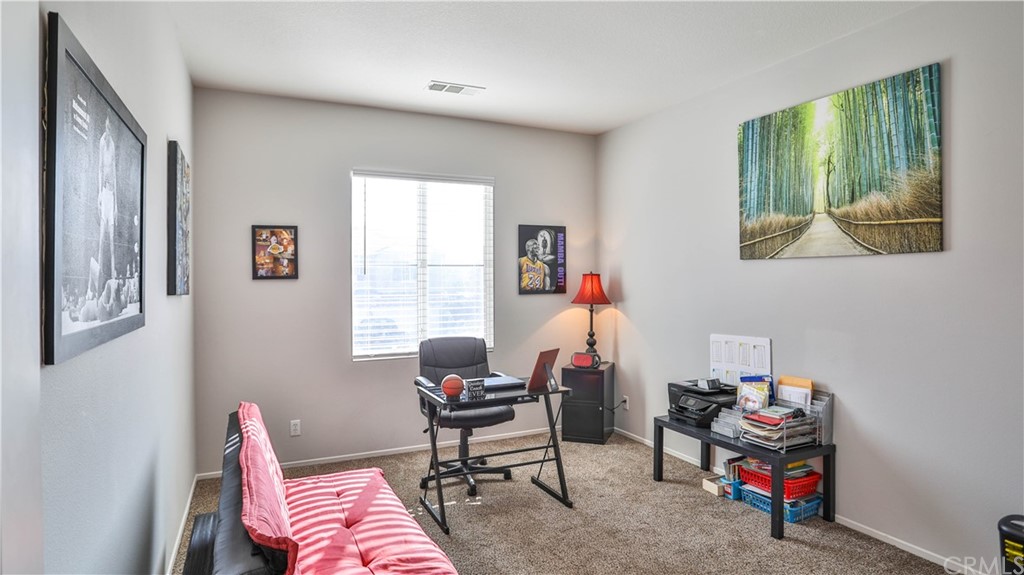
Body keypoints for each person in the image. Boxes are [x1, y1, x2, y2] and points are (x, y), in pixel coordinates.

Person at [97, 116, 118, 287]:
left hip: (111, 194)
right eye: (107, 127)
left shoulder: (113, 146)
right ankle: (98, 279)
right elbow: (99, 168)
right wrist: (99, 194)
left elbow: (115, 172)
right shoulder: (102, 143)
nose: (108, 130)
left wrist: (116, 204)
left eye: (110, 127)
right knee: (101, 238)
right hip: (104, 192)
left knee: (111, 242)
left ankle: (113, 278)